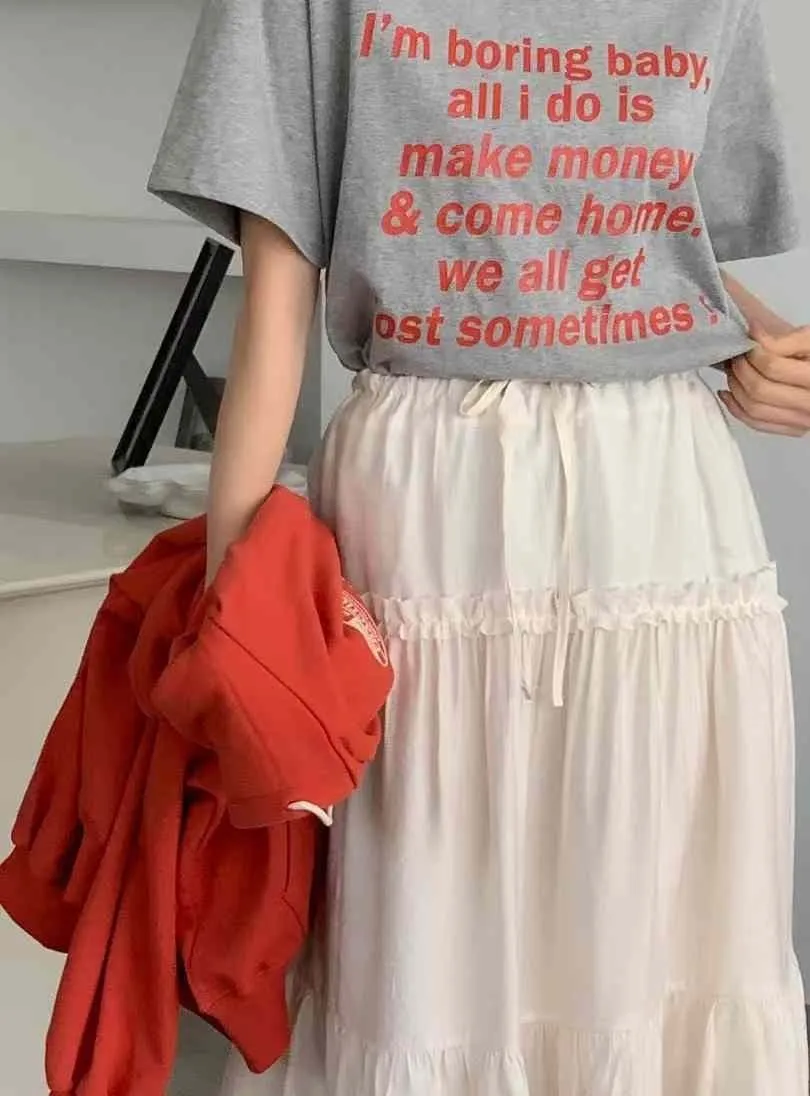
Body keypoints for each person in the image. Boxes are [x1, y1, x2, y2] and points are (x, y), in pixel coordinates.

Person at [148, 0, 809, 1092]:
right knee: (425, 931)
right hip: (429, 505)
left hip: (656, 494)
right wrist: (237, 616)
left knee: (647, 917)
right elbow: (278, 292)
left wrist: (759, 344)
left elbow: (639, 233)